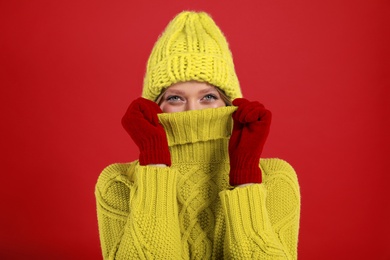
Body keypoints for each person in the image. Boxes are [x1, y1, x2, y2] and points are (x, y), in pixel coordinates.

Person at [95, 11, 300, 259]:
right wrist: (155, 166)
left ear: (229, 103)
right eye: (175, 98)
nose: (192, 110)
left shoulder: (275, 179)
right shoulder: (118, 183)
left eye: (208, 97)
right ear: (153, 106)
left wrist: (245, 178)